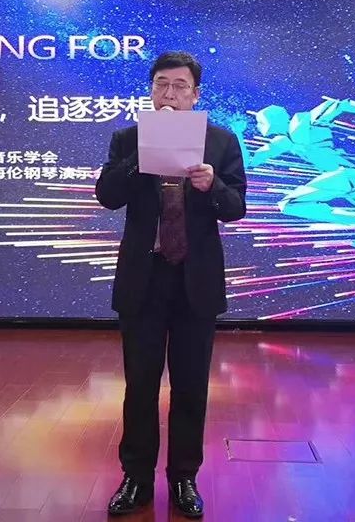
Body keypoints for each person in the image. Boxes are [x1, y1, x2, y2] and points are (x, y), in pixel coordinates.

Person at [95, 51, 247, 518]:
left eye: (180, 86)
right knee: (140, 386)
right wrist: (139, 158)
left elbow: (236, 207)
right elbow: (107, 196)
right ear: (151, 90)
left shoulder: (220, 141)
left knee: (191, 387)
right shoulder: (128, 138)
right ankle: (136, 479)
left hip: (195, 282)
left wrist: (212, 186)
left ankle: (184, 478)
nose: (170, 94)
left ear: (195, 95)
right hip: (144, 280)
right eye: (161, 84)